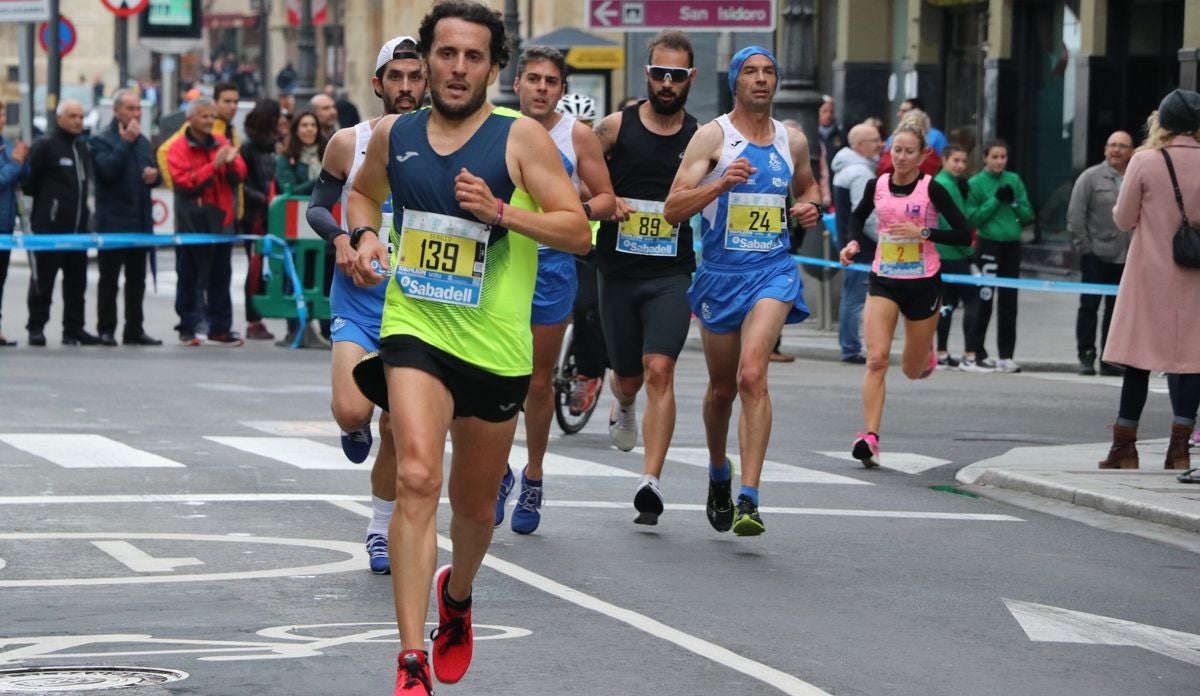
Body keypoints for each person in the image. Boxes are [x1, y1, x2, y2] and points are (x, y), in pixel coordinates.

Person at [344, 3, 590, 691]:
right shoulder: (397, 135)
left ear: (493, 66)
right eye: (445, 55)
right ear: (425, 61)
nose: (457, 69)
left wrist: (503, 212)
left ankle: (457, 598)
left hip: (495, 347)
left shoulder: (520, 141)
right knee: (417, 476)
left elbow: (578, 231)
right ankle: (410, 656)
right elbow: (362, 196)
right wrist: (364, 239)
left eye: (473, 57)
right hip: (415, 328)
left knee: (475, 507)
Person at [664, 46, 820, 535]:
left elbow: (810, 187)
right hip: (720, 276)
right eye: (750, 72)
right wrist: (719, 183)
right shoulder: (713, 137)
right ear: (735, 82)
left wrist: (809, 209)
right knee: (722, 388)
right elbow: (672, 209)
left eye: (769, 71)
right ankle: (718, 471)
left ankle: (749, 497)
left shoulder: (791, 140)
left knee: (753, 374)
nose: (761, 79)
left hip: (773, 270)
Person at [305, 34, 428, 574]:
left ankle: (380, 528)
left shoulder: (445, 142)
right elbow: (317, 205)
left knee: (397, 430)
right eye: (394, 78)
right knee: (355, 411)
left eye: (413, 77)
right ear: (378, 84)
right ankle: (352, 425)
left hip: (419, 302)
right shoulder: (348, 142)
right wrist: (339, 238)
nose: (405, 88)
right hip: (358, 296)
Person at [493, 46, 616, 535]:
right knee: (500, 374)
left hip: (551, 268)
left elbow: (607, 198)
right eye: (534, 79)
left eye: (551, 81)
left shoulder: (577, 135)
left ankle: (534, 475)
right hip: (500, 263)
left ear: (562, 89)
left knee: (538, 381)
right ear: (517, 83)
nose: (542, 88)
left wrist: (571, 215)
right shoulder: (496, 125)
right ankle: (498, 470)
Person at [591, 30, 698, 525]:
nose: (668, 83)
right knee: (628, 377)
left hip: (670, 272)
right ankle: (624, 403)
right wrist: (602, 201)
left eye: (677, 75)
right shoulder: (614, 128)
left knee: (660, 368)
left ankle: (650, 481)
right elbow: (576, 181)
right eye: (660, 73)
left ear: (690, 79)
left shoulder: (702, 137)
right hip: (617, 269)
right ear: (647, 74)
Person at [838, 122, 972, 468]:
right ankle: (870, 437)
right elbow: (856, 219)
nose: (900, 157)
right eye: (896, 149)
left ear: (923, 155)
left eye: (908, 151)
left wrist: (924, 231)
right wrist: (853, 242)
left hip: (923, 282)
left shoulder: (933, 189)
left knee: (912, 370)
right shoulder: (877, 185)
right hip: (884, 279)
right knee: (877, 359)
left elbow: (964, 234)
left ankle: (925, 349)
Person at [1100, 89, 1200, 472]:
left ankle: (1124, 448)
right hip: (1193, 275)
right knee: (1191, 360)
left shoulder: (1144, 161)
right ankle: (1180, 448)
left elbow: (1124, 219)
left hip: (1148, 274)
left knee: (1137, 360)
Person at [166, 97, 247, 346]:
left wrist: (232, 163)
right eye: (204, 116)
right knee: (188, 273)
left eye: (212, 116)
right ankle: (188, 326)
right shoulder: (178, 147)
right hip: (192, 220)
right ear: (190, 119)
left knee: (220, 274)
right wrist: (214, 165)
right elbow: (184, 182)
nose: (210, 120)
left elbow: (241, 174)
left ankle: (220, 327)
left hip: (221, 219)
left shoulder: (222, 142)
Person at [90, 89, 162, 347]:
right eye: (131, 109)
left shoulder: (142, 141)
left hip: (140, 222)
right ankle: (106, 329)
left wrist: (156, 176)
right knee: (109, 280)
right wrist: (124, 143)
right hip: (112, 222)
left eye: (138, 109)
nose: (136, 114)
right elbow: (107, 172)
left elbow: (155, 172)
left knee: (137, 280)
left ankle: (134, 329)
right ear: (117, 110)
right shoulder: (101, 140)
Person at [24, 100, 98, 347]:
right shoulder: (45, 146)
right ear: (59, 118)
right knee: (43, 279)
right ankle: (36, 326)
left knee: (77, 282)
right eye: (72, 116)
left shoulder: (82, 147)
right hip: (50, 228)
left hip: (78, 229)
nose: (78, 121)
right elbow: (28, 182)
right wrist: (48, 209)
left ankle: (74, 328)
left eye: (81, 116)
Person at [961, 140, 1034, 373]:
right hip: (988, 245)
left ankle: (1006, 355)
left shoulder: (1014, 180)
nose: (999, 161)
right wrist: (994, 200)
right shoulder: (976, 183)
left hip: (1011, 245)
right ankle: (977, 352)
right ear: (985, 158)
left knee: (1009, 303)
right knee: (984, 300)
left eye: (1003, 157)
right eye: (995, 157)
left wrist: (1012, 201)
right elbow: (972, 218)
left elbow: (1027, 215)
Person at [1069, 130, 1134, 376]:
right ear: (1105, 149)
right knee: (1089, 307)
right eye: (1112, 145)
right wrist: (1085, 247)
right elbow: (1075, 215)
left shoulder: (1135, 177)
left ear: (1131, 151)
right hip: (1096, 254)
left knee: (1117, 311)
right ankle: (1086, 355)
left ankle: (1110, 359)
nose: (1116, 150)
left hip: (1126, 256)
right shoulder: (1090, 178)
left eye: (1122, 146)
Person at [831, 122, 885, 364]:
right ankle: (851, 347)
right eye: (875, 140)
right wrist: (885, 239)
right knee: (855, 299)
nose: (880, 144)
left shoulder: (850, 169)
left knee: (851, 296)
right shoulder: (861, 173)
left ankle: (849, 344)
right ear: (860, 146)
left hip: (851, 244)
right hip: (861, 248)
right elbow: (865, 216)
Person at [239, 99, 283, 341]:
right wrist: (263, 198)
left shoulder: (276, 145)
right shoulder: (249, 147)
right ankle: (253, 318)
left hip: (274, 211)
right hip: (256, 214)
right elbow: (243, 184)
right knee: (255, 266)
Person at [932, 143, 978, 367]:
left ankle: (941, 352)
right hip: (953, 253)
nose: (960, 165)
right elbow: (956, 224)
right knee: (973, 300)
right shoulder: (946, 186)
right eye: (955, 161)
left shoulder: (944, 183)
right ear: (944, 160)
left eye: (963, 161)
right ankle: (970, 354)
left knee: (946, 304)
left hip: (940, 253)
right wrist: (970, 253)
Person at [0, 99, 29, 347]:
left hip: (5, 223)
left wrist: (24, 160)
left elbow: (22, 177)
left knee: (1, 278)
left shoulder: (6, 144)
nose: (1, 119)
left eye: (1, 113)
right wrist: (17, 163)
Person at [876, 108, 942, 177]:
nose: (901, 157)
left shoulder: (889, 155)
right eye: (898, 150)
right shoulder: (932, 156)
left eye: (910, 151)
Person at [275, 112, 327, 195]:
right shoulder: (285, 159)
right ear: (296, 131)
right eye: (304, 125)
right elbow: (290, 191)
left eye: (313, 125)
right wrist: (320, 181)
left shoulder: (327, 156)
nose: (310, 129)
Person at [817, 95, 845, 208]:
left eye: (831, 111)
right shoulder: (811, 134)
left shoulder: (840, 134)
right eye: (824, 111)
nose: (828, 115)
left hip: (835, 180)